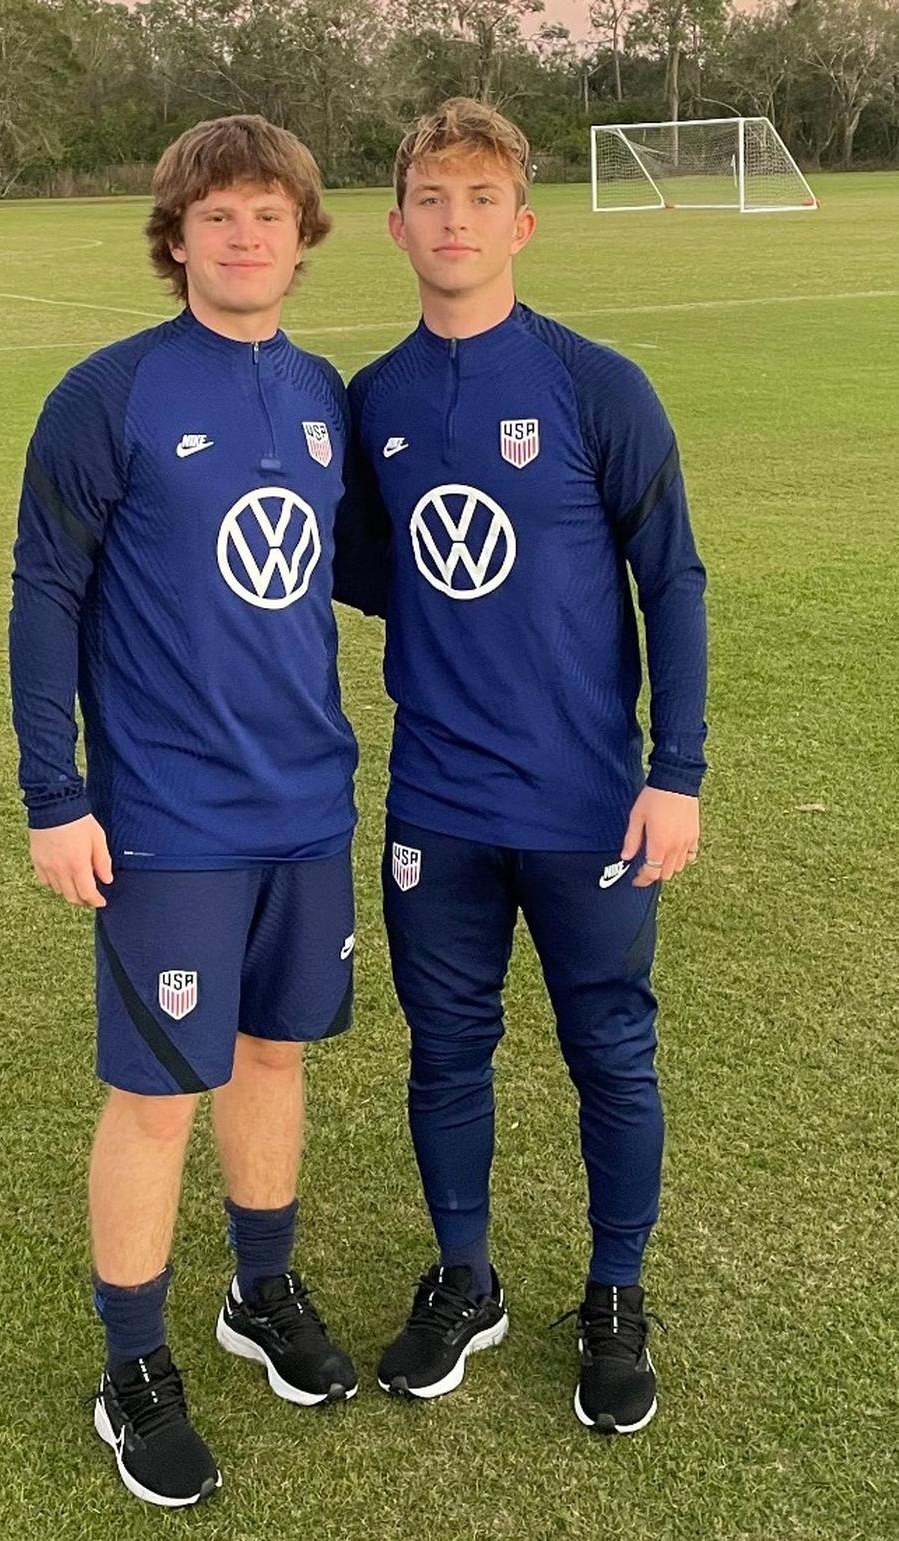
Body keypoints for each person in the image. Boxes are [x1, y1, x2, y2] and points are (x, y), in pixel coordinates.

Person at [9, 114, 360, 1509]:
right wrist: (56, 794)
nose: (245, 234)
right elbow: (48, 599)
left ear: (302, 235)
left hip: (310, 803)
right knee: (158, 1097)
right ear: (176, 237)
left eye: (268, 212)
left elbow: (350, 571)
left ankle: (259, 1292)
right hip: (167, 818)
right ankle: (132, 1364)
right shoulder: (110, 396)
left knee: (274, 1058)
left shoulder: (326, 390)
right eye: (217, 214)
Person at [343, 98, 708, 1434]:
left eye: (481, 199)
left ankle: (615, 1294)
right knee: (447, 1051)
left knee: (610, 1047)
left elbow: (671, 578)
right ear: (397, 225)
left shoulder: (593, 382)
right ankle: (465, 1276)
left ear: (523, 222)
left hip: (589, 802)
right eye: (433, 199)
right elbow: (372, 574)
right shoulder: (372, 398)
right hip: (439, 799)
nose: (455, 222)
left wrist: (679, 767)